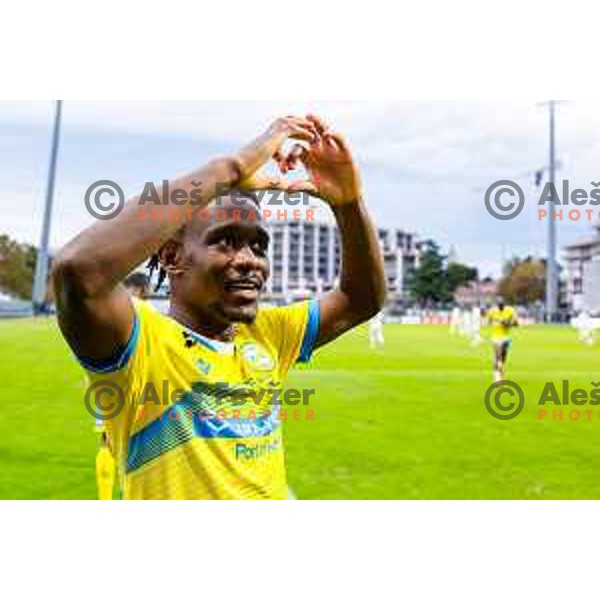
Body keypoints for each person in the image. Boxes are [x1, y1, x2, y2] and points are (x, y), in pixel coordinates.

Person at [52, 115, 386, 500]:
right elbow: (77, 272)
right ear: (173, 256)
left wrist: (348, 204)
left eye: (259, 246)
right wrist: (230, 169)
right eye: (225, 241)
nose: (250, 260)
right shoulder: (140, 344)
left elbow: (361, 299)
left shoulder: (269, 333)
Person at [486, 297, 518, 382]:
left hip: (506, 337)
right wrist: (496, 322)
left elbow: (516, 323)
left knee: (503, 358)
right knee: (497, 357)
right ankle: (497, 377)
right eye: (499, 305)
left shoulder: (510, 310)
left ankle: (500, 368)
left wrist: (508, 323)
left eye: (502, 305)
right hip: (496, 337)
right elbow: (489, 321)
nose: (501, 307)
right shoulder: (492, 311)